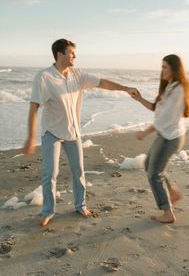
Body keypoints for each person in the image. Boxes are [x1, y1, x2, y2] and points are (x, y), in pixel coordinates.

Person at [23, 38, 138, 227]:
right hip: (52, 132)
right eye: (71, 53)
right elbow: (34, 107)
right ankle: (48, 211)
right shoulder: (43, 77)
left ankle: (80, 205)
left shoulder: (78, 75)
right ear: (60, 54)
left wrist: (126, 89)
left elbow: (103, 83)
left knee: (79, 172)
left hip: (74, 131)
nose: (74, 56)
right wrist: (30, 137)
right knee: (50, 173)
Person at [133, 54, 189, 223]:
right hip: (165, 135)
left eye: (165, 67)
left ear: (174, 68)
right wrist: (139, 99)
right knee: (148, 165)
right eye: (162, 67)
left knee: (154, 174)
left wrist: (145, 132)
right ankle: (172, 192)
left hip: (170, 138)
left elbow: (164, 119)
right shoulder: (170, 87)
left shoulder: (179, 89)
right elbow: (155, 108)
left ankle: (167, 213)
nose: (162, 71)